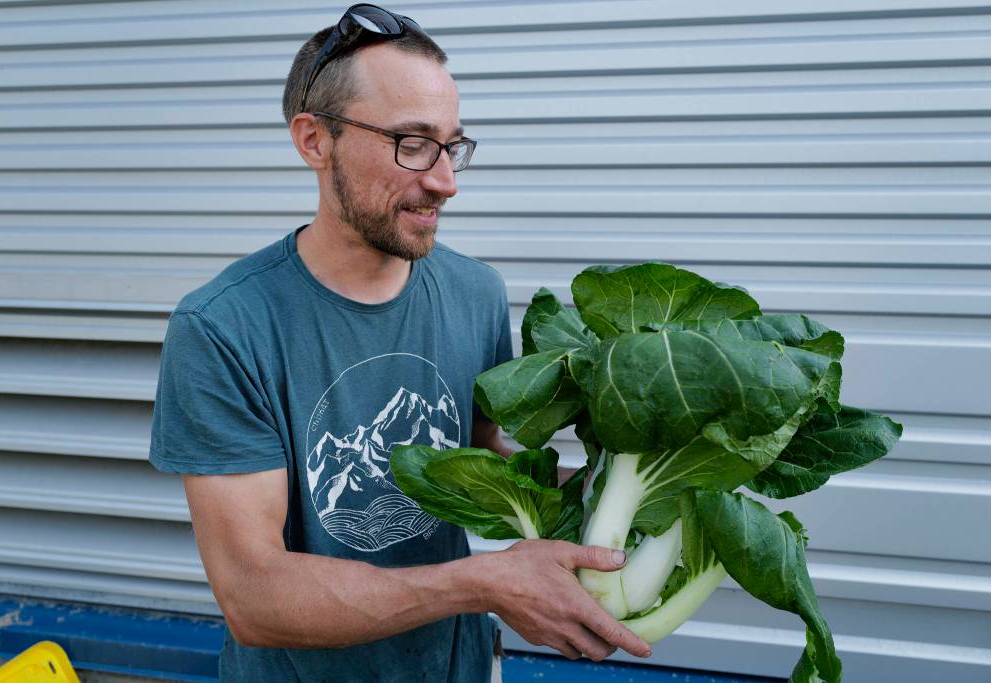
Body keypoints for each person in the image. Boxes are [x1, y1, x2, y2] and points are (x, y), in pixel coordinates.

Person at [149, 4, 652, 681]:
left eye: (452, 145)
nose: (444, 180)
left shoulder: (475, 291)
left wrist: (626, 485)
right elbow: (254, 594)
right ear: (313, 141)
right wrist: (484, 583)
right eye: (411, 142)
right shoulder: (223, 327)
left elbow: (482, 463)